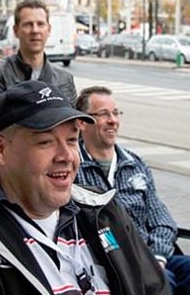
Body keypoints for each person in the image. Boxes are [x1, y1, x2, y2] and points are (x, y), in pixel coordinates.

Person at [0, 81, 170, 295]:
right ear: (1, 149)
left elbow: (154, 288)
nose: (66, 156)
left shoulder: (103, 211)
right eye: (45, 142)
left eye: (71, 140)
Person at [74, 86, 190, 294]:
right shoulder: (73, 168)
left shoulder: (134, 164)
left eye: (115, 113)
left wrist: (158, 256)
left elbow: (161, 219)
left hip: (154, 255)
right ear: (82, 122)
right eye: (103, 114)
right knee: (162, 283)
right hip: (116, 263)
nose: (113, 120)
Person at [0, 0, 77, 147]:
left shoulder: (64, 79)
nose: (35, 30)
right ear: (16, 30)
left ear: (49, 29)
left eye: (40, 24)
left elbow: (71, 130)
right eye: (28, 24)